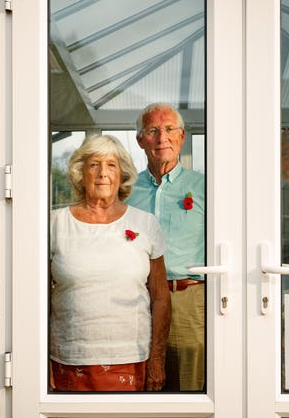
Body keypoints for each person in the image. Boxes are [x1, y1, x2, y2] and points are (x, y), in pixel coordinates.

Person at [49, 134, 171, 392]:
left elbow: (160, 296)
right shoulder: (55, 223)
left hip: (130, 358)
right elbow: (35, 299)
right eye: (94, 164)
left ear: (122, 174)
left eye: (111, 165)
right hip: (68, 357)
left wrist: (157, 360)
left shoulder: (145, 224)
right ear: (80, 173)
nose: (102, 172)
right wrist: (36, 359)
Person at [126, 102, 206, 391]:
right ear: (140, 140)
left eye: (170, 129)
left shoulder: (205, 187)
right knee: (140, 383)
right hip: (135, 300)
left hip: (186, 299)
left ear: (181, 136)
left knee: (191, 388)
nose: (162, 138)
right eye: (153, 130)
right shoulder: (125, 190)